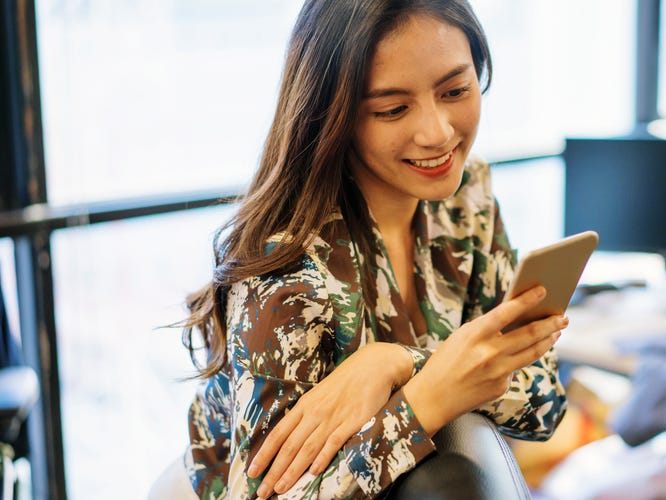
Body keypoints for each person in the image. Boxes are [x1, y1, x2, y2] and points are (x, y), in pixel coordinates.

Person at [161, 0, 568, 498]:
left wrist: (398, 363)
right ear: (333, 115)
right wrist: (424, 401)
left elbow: (545, 401)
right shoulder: (285, 270)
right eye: (393, 109)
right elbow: (262, 494)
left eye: (455, 90)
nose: (438, 133)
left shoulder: (468, 195)